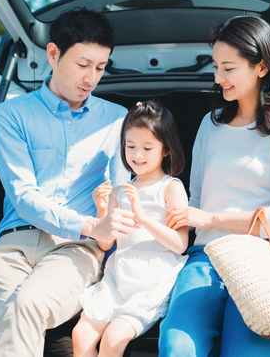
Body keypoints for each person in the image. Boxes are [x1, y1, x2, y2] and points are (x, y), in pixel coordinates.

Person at [158, 16, 270, 357]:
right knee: (177, 347)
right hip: (207, 258)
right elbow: (197, 200)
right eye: (216, 67)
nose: (218, 79)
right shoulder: (211, 125)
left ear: (261, 66)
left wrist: (213, 219)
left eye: (228, 68)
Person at [0, 8, 136, 356]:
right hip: (13, 246)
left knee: (25, 307)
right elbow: (23, 196)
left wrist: (109, 223)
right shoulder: (11, 114)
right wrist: (89, 224)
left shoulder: (116, 120)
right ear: (53, 54)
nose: (92, 77)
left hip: (76, 249)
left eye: (100, 67)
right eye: (83, 64)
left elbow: (121, 191)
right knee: (12, 327)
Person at [72, 100, 189, 357]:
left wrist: (143, 216)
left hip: (151, 280)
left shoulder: (171, 187)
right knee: (80, 336)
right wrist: (102, 210)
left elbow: (180, 244)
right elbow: (105, 245)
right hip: (118, 277)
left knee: (113, 339)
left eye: (147, 148)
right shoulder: (119, 191)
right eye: (130, 146)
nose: (137, 155)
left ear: (166, 149)